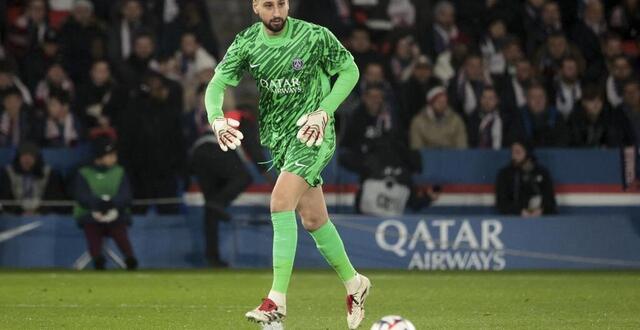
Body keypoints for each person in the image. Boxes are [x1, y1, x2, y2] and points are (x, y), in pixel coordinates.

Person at [204, 1, 370, 328]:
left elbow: (350, 70)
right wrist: (217, 120)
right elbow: (216, 85)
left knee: (280, 201)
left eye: (281, 3)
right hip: (279, 138)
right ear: (255, 7)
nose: (277, 11)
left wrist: (325, 111)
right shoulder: (248, 42)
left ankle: (275, 301)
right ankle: (355, 284)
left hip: (313, 132)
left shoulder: (313, 36)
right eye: (268, 5)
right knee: (312, 219)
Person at [72, 136, 138, 270]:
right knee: (92, 230)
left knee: (119, 231)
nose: (114, 158)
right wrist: (98, 204)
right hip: (90, 214)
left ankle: (130, 258)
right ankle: (97, 259)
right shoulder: (84, 173)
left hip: (116, 214)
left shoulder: (120, 172)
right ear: (99, 157)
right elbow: (81, 195)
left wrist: (112, 204)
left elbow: (126, 196)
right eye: (110, 155)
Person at [0, 141, 66, 215]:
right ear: (18, 157)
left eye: (31, 155)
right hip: (14, 215)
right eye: (24, 155)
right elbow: (5, 198)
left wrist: (39, 212)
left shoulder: (49, 174)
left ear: (37, 158)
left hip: (44, 215)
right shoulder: (7, 173)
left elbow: (52, 198)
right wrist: (20, 212)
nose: (27, 159)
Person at [495, 141, 557, 216]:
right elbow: (501, 203)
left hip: (540, 220)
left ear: (527, 152)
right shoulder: (505, 174)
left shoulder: (542, 173)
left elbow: (550, 201)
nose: (513, 156)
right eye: (512, 152)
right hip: (514, 220)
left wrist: (542, 210)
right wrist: (519, 212)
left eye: (518, 152)